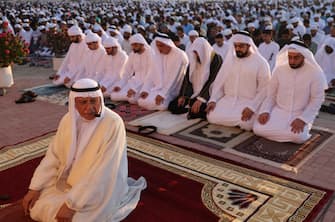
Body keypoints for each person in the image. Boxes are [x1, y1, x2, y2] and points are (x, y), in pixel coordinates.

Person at [22, 78, 146, 222]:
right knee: (37, 207)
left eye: (93, 101)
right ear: (74, 103)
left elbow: (104, 170)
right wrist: (35, 187)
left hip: (100, 187)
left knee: (77, 219)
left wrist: (72, 205)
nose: (89, 108)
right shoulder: (68, 120)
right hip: (69, 182)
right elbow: (54, 156)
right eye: (83, 102)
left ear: (100, 99)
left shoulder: (113, 123)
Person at [253, 40, 326, 143]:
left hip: (300, 112)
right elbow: (271, 95)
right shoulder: (279, 70)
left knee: (298, 137)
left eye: (296, 58)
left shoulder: (315, 73)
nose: (292, 61)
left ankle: (287, 132)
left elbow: (317, 99)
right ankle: (282, 133)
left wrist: (303, 119)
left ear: (304, 56)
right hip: (279, 110)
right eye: (290, 57)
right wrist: (265, 111)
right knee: (258, 128)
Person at [206, 31, 271, 130]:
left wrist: (252, 107)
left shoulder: (261, 63)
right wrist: (213, 99)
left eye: (241, 46)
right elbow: (219, 83)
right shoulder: (230, 61)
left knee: (247, 122)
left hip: (249, 102)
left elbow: (264, 89)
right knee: (211, 116)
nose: (237, 49)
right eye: (235, 46)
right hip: (228, 100)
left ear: (249, 45)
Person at [168, 37, 223, 119]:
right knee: (173, 106)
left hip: (208, 94)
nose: (196, 54)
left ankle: (191, 107)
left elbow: (213, 81)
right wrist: (183, 96)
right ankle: (190, 106)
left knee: (199, 110)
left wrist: (201, 99)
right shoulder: (194, 59)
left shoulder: (216, 59)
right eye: (194, 52)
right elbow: (187, 79)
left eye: (197, 52)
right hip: (193, 93)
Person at [138, 33, 189, 110]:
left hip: (173, 90)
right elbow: (151, 75)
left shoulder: (179, 55)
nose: (159, 49)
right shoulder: (158, 55)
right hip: (159, 88)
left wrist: (163, 94)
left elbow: (173, 79)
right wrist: (145, 89)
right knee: (141, 100)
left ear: (168, 44)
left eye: (161, 46)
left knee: (162, 105)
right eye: (157, 46)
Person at [110, 33, 153, 104]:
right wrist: (120, 85)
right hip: (135, 81)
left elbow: (150, 75)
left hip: (147, 84)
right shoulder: (132, 54)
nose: (133, 47)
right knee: (113, 95)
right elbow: (127, 72)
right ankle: (129, 95)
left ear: (142, 44)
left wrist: (135, 89)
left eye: (135, 45)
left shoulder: (150, 54)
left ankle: (132, 95)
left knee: (132, 99)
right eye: (132, 45)